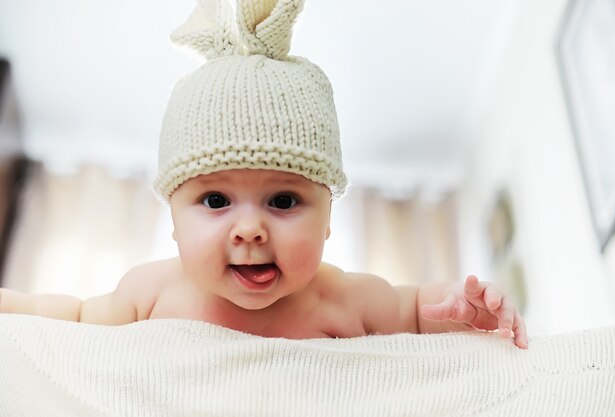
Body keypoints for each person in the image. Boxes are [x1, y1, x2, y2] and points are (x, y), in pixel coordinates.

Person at [0, 0, 527, 349]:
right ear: (174, 222)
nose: (249, 229)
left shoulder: (343, 299)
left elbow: (416, 310)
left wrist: (465, 310)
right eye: (214, 201)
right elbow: (69, 320)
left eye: (282, 201)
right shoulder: (151, 292)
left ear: (327, 221)